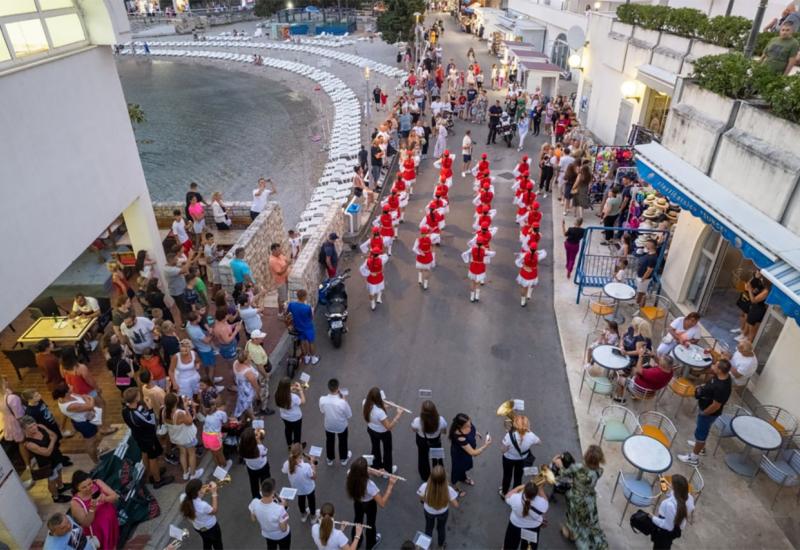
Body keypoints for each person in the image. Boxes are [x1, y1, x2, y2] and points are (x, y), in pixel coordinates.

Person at [678, 359, 733, 465]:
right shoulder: (722, 376)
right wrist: (703, 387)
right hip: (705, 407)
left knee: (701, 434)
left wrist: (705, 413)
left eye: (715, 366)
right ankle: (701, 447)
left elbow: (716, 405)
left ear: (720, 370)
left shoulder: (722, 388)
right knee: (701, 431)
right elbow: (711, 385)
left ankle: (694, 458)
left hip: (708, 413)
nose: (713, 366)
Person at [554, 445, 607, 548]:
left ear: (587, 456)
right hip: (590, 499)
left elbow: (562, 475)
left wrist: (560, 465)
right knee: (590, 523)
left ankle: (573, 534)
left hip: (576, 499)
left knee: (574, 520)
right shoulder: (599, 471)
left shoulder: (577, 467)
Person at [121, 388, 174, 488]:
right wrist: (150, 408)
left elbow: (140, 413)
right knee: (152, 458)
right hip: (147, 438)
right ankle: (157, 480)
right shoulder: (136, 415)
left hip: (138, 436)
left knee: (145, 454)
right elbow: (151, 422)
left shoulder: (125, 410)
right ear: (136, 399)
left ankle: (150, 474)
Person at [346, 457, 397, 549]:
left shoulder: (350, 474)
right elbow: (382, 503)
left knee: (357, 520)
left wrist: (376, 472)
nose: (368, 468)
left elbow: (361, 471)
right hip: (369, 505)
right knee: (370, 524)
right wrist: (390, 485)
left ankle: (356, 542)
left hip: (357, 501)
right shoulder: (370, 485)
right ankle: (371, 544)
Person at [635, 474, 694, 549]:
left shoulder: (670, 505)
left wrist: (653, 517)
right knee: (666, 544)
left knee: (660, 546)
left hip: (665, 531)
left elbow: (668, 526)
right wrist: (662, 480)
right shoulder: (689, 497)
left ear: (675, 488)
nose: (670, 484)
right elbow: (668, 492)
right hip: (677, 528)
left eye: (671, 483)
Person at [20, 416, 70, 502]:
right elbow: (47, 453)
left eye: (34, 425)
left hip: (55, 455)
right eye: (30, 427)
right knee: (52, 480)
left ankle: (61, 487)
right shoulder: (29, 443)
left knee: (59, 470)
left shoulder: (40, 426)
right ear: (25, 430)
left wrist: (51, 442)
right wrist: (52, 441)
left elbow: (54, 435)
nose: (34, 428)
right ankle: (56, 497)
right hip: (47, 463)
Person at [70, 470, 120, 550]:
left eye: (90, 484)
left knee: (113, 542)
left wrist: (105, 499)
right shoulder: (75, 502)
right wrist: (92, 509)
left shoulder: (97, 482)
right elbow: (86, 523)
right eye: (84, 487)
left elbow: (116, 497)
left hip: (111, 522)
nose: (89, 488)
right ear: (77, 488)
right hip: (98, 531)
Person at [53, 384, 100, 463]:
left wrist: (86, 398)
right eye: (69, 387)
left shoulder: (67, 396)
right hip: (85, 424)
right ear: (66, 393)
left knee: (94, 438)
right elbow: (90, 406)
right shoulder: (71, 405)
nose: (71, 385)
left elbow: (82, 397)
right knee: (90, 442)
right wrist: (90, 398)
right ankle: (95, 460)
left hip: (86, 419)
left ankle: (96, 450)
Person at [363, 387, 404, 475]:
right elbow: (389, 427)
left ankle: (376, 466)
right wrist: (398, 415)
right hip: (383, 433)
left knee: (375, 448)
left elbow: (375, 407)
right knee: (387, 450)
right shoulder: (380, 412)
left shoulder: (365, 403)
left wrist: (387, 406)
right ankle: (387, 470)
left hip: (371, 429)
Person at [417, 465, 459, 548]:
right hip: (443, 512)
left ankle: (427, 545)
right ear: (444, 478)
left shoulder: (424, 486)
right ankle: (440, 546)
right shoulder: (448, 489)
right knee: (441, 529)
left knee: (428, 528)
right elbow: (456, 505)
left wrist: (426, 501)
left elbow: (421, 498)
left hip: (428, 511)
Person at [449, 413, 492, 495]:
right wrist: (486, 445)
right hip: (460, 456)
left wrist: (476, 432)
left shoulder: (467, 423)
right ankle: (456, 488)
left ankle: (463, 478)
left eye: (470, 422)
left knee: (464, 467)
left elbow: (472, 429)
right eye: (468, 424)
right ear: (461, 426)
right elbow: (473, 452)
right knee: (457, 470)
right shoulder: (460, 437)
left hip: (466, 454)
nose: (470, 424)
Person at [163, 392, 202, 481]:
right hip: (186, 438)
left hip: (176, 438)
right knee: (191, 453)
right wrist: (186, 407)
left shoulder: (164, 411)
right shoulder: (179, 413)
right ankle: (193, 474)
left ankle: (185, 473)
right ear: (176, 402)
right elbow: (190, 421)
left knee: (182, 453)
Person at [500, 415, 541, 496]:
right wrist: (529, 433)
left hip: (508, 459)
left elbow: (502, 450)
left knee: (507, 476)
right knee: (518, 477)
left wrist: (508, 435)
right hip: (522, 460)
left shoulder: (509, 436)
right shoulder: (531, 435)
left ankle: (504, 492)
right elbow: (539, 442)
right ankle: (515, 493)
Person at [503, 480, 549, 550]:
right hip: (532, 528)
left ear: (524, 491)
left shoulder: (516, 498)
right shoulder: (542, 503)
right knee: (528, 547)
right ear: (536, 494)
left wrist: (519, 487)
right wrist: (540, 489)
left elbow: (507, 496)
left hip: (515, 525)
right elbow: (545, 500)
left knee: (510, 546)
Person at [180, 479, 223, 549]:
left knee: (207, 542)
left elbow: (197, 497)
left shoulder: (183, 497)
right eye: (202, 487)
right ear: (198, 492)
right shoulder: (203, 505)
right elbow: (214, 510)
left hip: (198, 527)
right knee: (217, 544)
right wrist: (214, 493)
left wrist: (202, 492)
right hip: (211, 528)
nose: (204, 487)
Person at [319, 378, 353, 466]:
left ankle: (330, 459)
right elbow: (349, 414)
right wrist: (344, 400)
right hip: (341, 426)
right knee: (343, 441)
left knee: (329, 441)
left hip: (328, 425)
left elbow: (322, 411)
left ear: (328, 388)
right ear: (338, 388)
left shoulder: (322, 399)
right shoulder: (342, 402)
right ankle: (343, 459)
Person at [411, 400, 448, 481]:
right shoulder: (440, 420)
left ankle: (425, 477)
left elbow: (414, 429)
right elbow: (444, 431)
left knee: (422, 457)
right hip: (435, 441)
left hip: (422, 440)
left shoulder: (417, 421)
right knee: (437, 458)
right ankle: (438, 475)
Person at [249, 478, 291, 550]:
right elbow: (283, 529)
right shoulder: (279, 509)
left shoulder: (254, 502)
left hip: (267, 534)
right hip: (282, 536)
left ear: (261, 490)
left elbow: (253, 519)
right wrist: (283, 507)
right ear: (273, 492)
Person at [282, 442, 318, 522]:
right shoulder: (306, 467)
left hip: (297, 489)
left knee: (301, 500)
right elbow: (314, 477)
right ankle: (313, 516)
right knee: (311, 500)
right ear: (301, 454)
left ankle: (303, 515)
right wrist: (313, 464)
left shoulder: (287, 463)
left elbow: (284, 471)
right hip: (308, 488)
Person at [286, 289, 319, 365]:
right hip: (308, 328)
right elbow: (311, 317)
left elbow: (287, 312)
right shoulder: (307, 307)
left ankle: (306, 357)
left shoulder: (291, 304)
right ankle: (313, 358)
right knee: (311, 342)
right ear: (304, 297)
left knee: (302, 342)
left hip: (298, 327)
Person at [739, 270, 770, 343]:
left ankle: (748, 345)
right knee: (750, 325)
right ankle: (745, 341)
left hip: (758, 309)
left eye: (762, 279)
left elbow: (754, 300)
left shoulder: (766, 291)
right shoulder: (762, 286)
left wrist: (750, 290)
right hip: (755, 307)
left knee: (752, 331)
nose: (761, 280)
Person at [240, 426, 271, 500]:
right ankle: (267, 496)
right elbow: (265, 452)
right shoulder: (259, 448)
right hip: (263, 467)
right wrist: (259, 442)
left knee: (253, 484)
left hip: (251, 468)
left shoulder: (242, 448)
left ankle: (256, 498)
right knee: (265, 482)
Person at [202, 396, 230, 471]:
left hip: (205, 435)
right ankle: (224, 466)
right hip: (214, 437)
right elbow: (226, 424)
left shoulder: (207, 413)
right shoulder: (222, 413)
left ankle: (218, 466)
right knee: (220, 453)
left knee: (214, 453)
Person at [275, 377, 305, 446]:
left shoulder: (277, 393)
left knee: (288, 430)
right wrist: (300, 391)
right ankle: (297, 447)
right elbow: (303, 401)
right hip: (295, 418)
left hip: (284, 416)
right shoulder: (293, 397)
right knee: (297, 433)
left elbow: (286, 391)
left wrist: (293, 388)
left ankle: (289, 445)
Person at [360, 247, 390, 311]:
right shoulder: (382, 259)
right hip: (379, 277)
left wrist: (369, 272)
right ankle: (379, 297)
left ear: (371, 253)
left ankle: (372, 305)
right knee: (380, 288)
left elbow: (361, 268)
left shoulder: (367, 261)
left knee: (371, 293)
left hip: (371, 279)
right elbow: (385, 255)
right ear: (379, 254)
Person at [233, 349, 260, 418]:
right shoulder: (248, 372)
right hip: (248, 389)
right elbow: (255, 385)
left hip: (241, 386)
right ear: (245, 361)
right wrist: (257, 393)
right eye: (249, 357)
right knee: (248, 403)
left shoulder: (235, 363)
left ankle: (250, 413)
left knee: (244, 401)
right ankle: (253, 417)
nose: (250, 358)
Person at [268, 243, 291, 315]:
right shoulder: (272, 261)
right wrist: (287, 265)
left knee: (282, 296)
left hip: (285, 279)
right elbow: (280, 273)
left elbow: (286, 260)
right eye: (278, 250)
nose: (280, 251)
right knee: (283, 299)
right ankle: (282, 313)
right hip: (281, 282)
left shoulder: (280, 255)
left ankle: (281, 311)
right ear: (273, 250)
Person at [635, 239, 659, 307]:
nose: (646, 245)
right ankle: (639, 304)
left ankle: (639, 305)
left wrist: (643, 278)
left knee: (641, 293)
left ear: (651, 245)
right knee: (640, 292)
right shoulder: (649, 253)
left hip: (644, 278)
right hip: (641, 276)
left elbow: (649, 270)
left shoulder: (652, 258)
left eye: (647, 243)